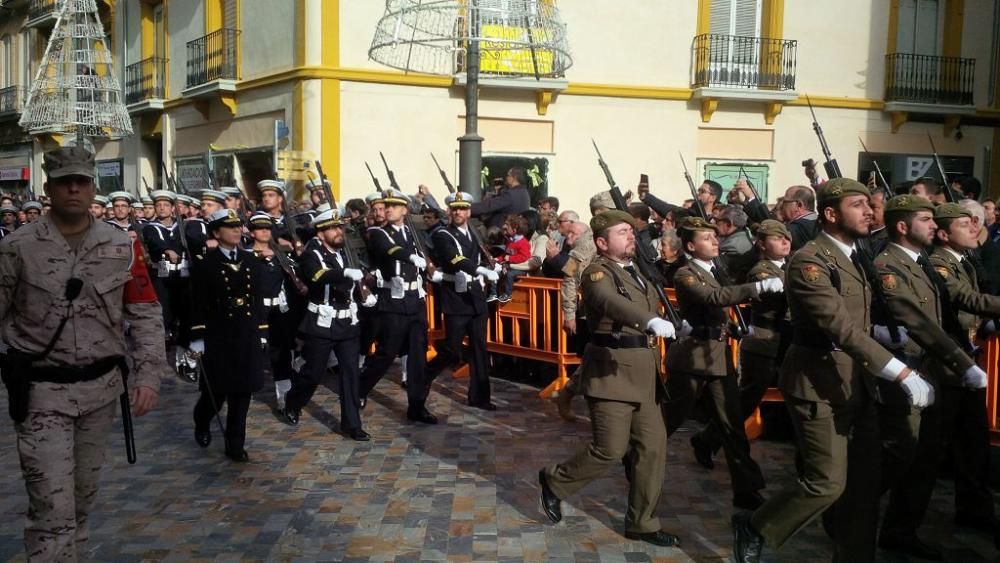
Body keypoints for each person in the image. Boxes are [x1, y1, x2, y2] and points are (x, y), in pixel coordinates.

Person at [732, 178, 935, 563]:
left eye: (868, 205)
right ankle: (757, 525)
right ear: (829, 213)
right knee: (825, 482)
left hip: (856, 380)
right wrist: (900, 372)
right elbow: (838, 326)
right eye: (858, 205)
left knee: (864, 484)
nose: (869, 211)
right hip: (817, 382)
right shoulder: (809, 260)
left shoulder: (856, 256)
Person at [0, 146, 165, 561]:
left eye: (82, 181)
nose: (73, 188)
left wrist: (148, 375)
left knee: (81, 502)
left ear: (93, 187)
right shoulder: (17, 247)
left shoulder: (121, 245)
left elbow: (145, 313)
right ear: (48, 187)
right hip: (41, 394)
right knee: (52, 510)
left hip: (100, 394)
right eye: (64, 182)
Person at [538, 210, 678, 547]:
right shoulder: (598, 273)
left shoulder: (640, 273)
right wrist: (649, 321)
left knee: (653, 450)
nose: (630, 236)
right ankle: (555, 481)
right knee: (610, 449)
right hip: (611, 373)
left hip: (645, 376)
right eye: (622, 232)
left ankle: (642, 523)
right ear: (602, 242)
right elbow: (609, 302)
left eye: (632, 231)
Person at [664, 216, 774, 509]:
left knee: (732, 423)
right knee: (671, 418)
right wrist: (758, 289)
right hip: (691, 356)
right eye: (706, 238)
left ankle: (747, 489)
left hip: (718, 356)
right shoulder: (685, 274)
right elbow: (714, 297)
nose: (715, 242)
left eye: (715, 237)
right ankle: (635, 454)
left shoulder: (716, 269)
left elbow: (725, 293)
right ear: (690, 246)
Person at [690, 220, 791, 471]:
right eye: (776, 238)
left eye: (786, 238)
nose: (785, 242)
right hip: (764, 341)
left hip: (787, 339)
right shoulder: (762, 271)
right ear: (761, 244)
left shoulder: (790, 267)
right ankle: (707, 439)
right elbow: (781, 298)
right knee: (747, 399)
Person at [930, 203, 1000, 537]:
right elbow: (964, 299)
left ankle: (974, 509)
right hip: (945, 366)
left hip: (965, 362)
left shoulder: (964, 261)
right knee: (930, 447)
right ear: (944, 234)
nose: (974, 227)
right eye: (964, 224)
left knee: (974, 443)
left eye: (975, 222)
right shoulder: (940, 263)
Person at [282, 208, 374, 440]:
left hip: (347, 323)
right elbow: (316, 276)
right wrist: (345, 273)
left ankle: (352, 424)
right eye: (332, 228)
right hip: (322, 323)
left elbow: (359, 274)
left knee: (351, 373)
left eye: (339, 227)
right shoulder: (311, 253)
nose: (338, 231)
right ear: (320, 233)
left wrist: (369, 284)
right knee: (314, 372)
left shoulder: (345, 251)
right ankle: (293, 402)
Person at [189, 209, 268, 462]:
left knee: (242, 394)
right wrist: (197, 336)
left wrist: (262, 330)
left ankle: (235, 445)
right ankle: (202, 420)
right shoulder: (206, 265)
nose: (237, 230)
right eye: (229, 227)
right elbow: (196, 303)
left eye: (238, 226)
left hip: (245, 334)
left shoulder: (251, 261)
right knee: (216, 393)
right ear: (215, 232)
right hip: (219, 336)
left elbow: (258, 300)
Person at [358, 188, 438, 424]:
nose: (388, 209)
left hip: (415, 300)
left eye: (394, 206)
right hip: (392, 301)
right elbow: (387, 249)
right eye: (387, 206)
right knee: (386, 353)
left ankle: (416, 405)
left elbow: (429, 249)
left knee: (417, 355)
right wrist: (410, 257)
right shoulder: (380, 233)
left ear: (405, 210)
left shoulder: (415, 234)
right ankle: (359, 389)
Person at [425, 191, 499, 410]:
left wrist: (490, 266)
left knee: (479, 348)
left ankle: (480, 397)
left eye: (463, 208)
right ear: (449, 211)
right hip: (456, 296)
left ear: (469, 211)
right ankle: (424, 376)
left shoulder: (475, 232)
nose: (458, 212)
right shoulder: (443, 235)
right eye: (455, 209)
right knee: (452, 350)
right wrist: (481, 270)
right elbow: (455, 259)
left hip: (475, 296)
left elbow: (481, 255)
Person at [247, 212, 305, 410]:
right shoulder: (246, 256)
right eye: (260, 228)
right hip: (257, 310)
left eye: (268, 228)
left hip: (280, 312)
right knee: (256, 355)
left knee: (281, 355)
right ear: (252, 232)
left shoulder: (281, 255)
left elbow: (295, 280)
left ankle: (283, 399)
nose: (265, 231)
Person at [496, 213, 532, 302]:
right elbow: (506, 255)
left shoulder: (523, 243)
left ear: (514, 230)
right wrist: (498, 259)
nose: (505, 227)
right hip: (510, 266)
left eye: (507, 227)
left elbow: (524, 257)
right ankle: (496, 293)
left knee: (509, 274)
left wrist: (510, 259)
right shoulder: (510, 241)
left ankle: (508, 294)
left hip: (520, 268)